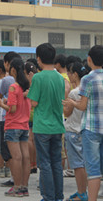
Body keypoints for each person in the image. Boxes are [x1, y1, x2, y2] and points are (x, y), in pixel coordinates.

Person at [28, 43, 66, 201]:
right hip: (57, 125)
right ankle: (58, 196)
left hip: (42, 126)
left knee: (44, 163)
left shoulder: (38, 77)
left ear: (38, 58)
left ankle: (48, 197)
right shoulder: (60, 78)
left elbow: (34, 102)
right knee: (56, 163)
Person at [67, 45, 103, 201]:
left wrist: (72, 103)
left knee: (93, 170)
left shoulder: (88, 79)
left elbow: (82, 106)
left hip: (91, 128)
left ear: (89, 60)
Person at [0, 58, 31, 197]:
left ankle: (16, 187)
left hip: (13, 125)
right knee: (25, 157)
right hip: (24, 125)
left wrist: (1, 104)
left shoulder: (13, 87)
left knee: (16, 157)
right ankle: (24, 187)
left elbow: (12, 109)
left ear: (13, 70)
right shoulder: (26, 87)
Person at [62, 62, 91, 201]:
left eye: (69, 72)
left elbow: (67, 113)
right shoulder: (87, 89)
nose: (68, 75)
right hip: (84, 130)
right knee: (83, 164)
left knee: (78, 166)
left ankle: (81, 192)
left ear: (75, 74)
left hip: (73, 130)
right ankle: (82, 191)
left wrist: (63, 102)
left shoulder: (74, 92)